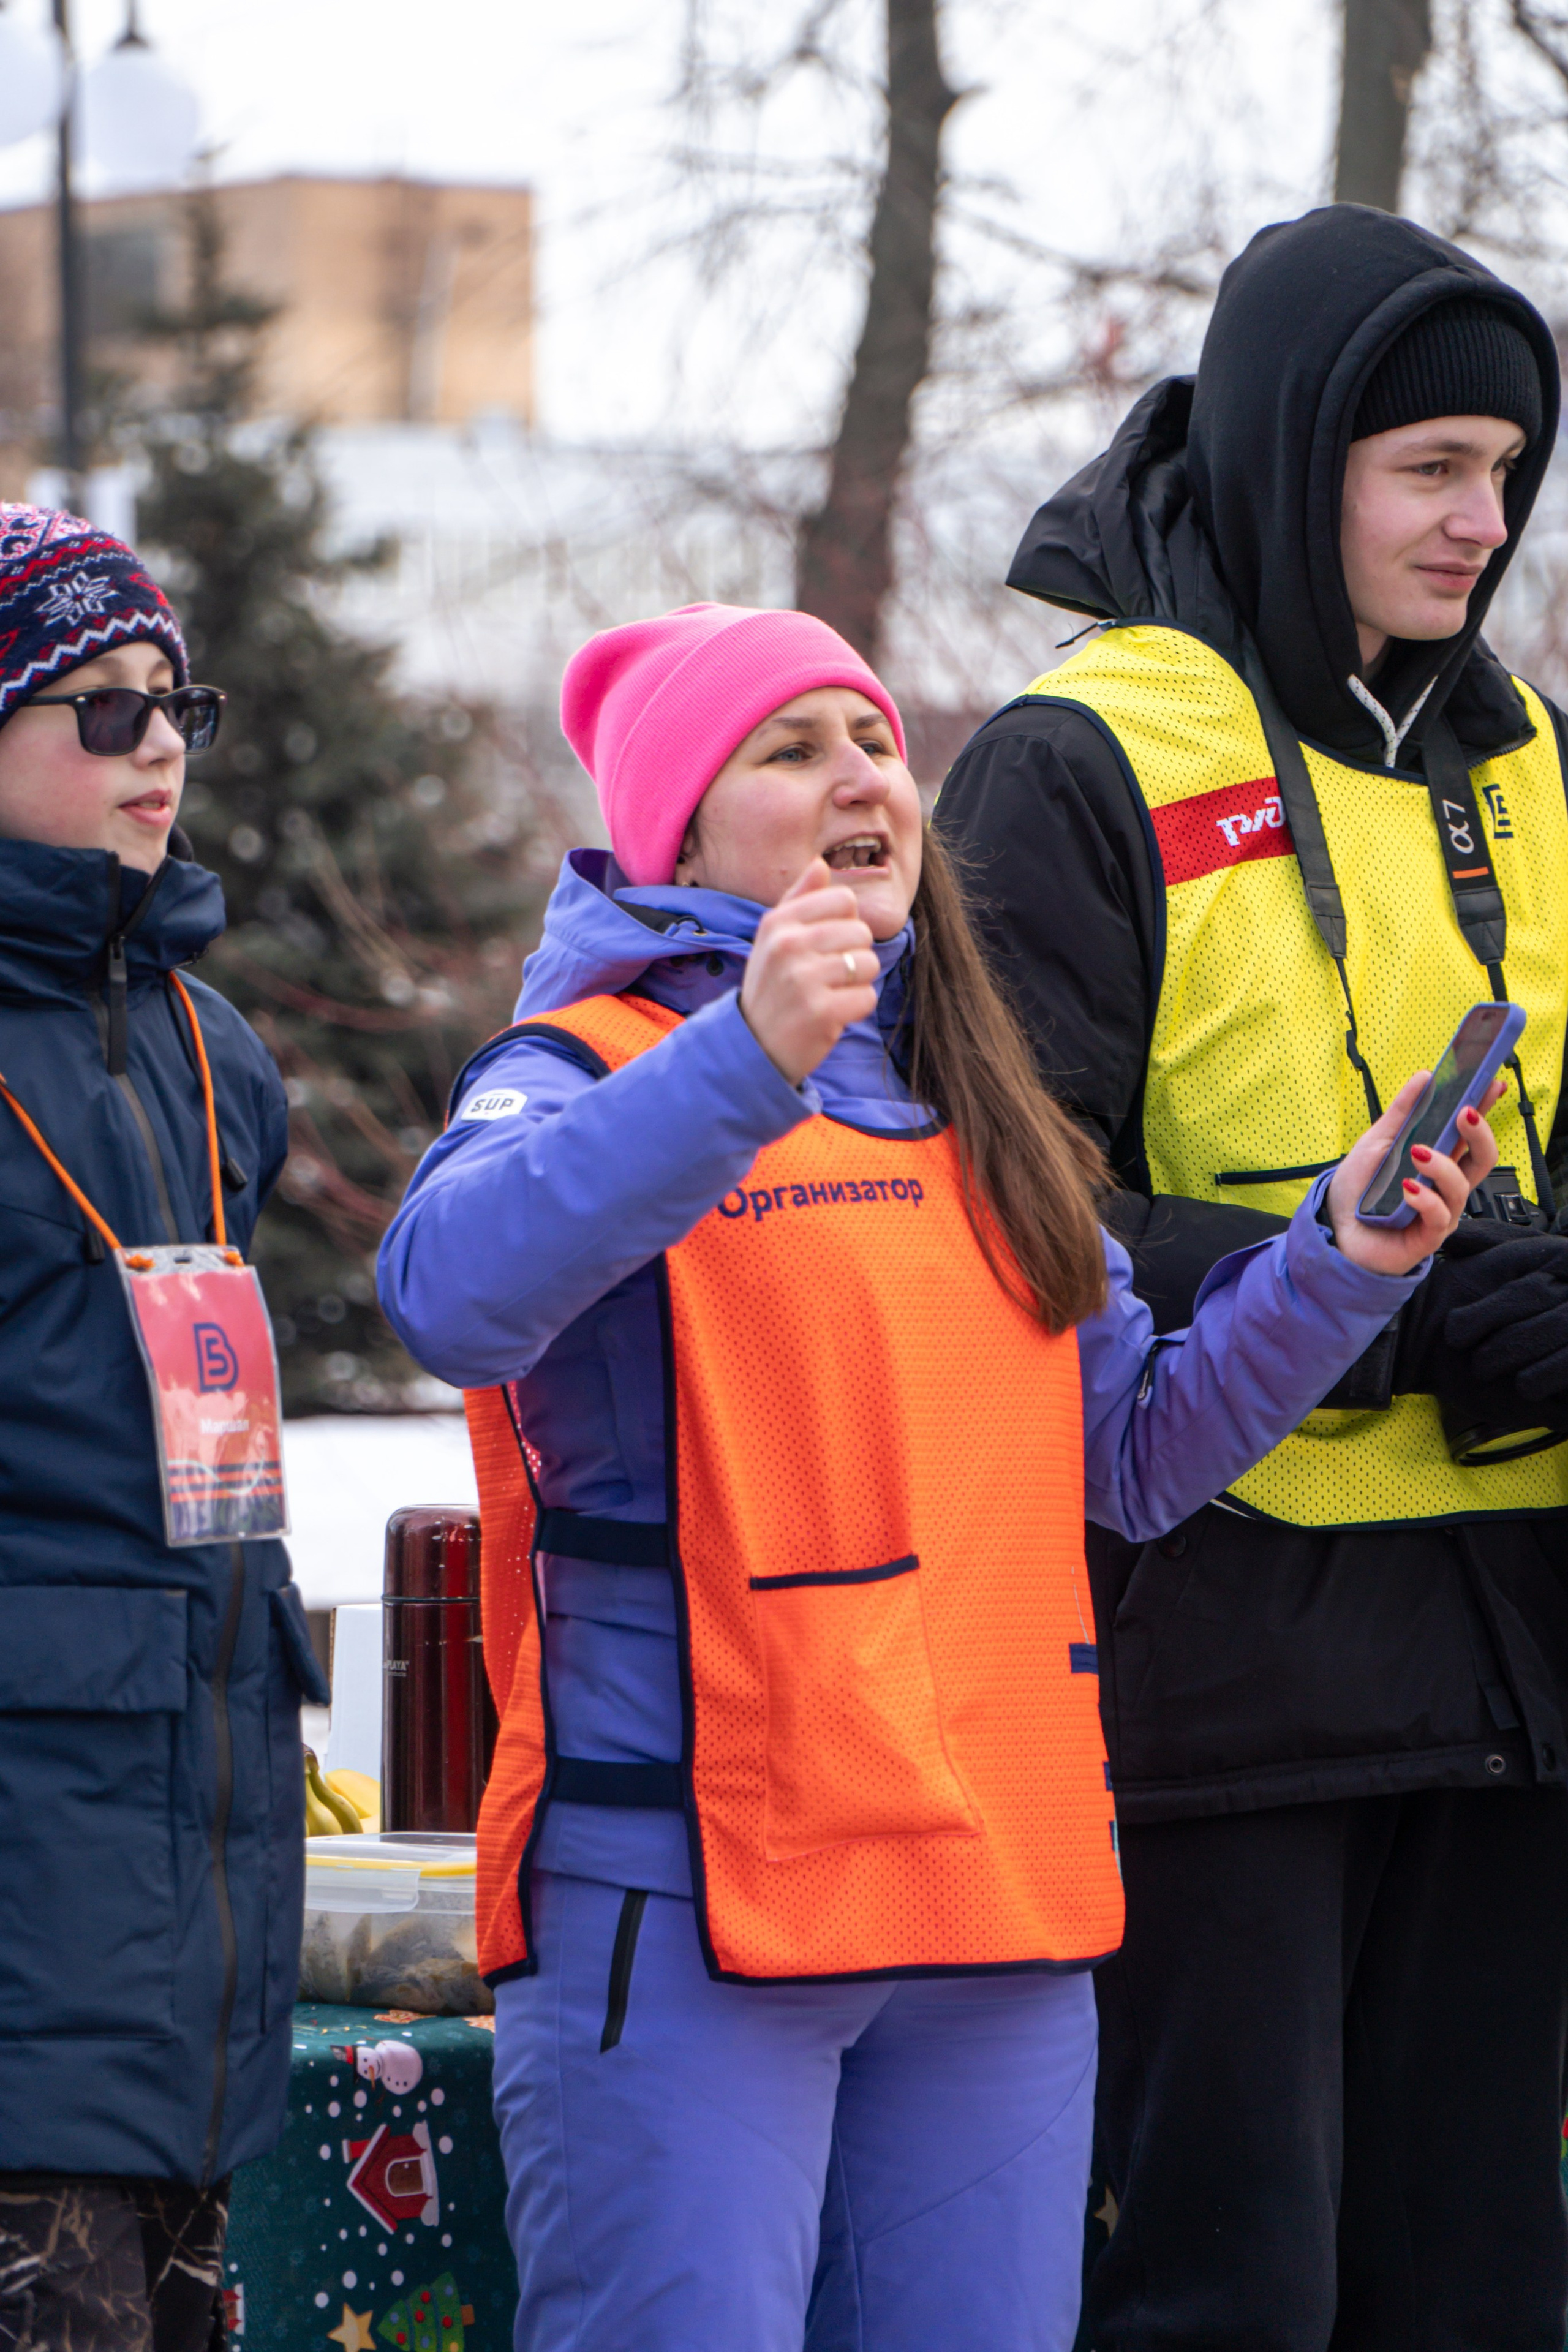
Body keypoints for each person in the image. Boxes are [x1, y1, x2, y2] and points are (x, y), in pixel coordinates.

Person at [377, 598, 1498, 2352]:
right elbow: (447, 1293)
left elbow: (1137, 1458)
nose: (864, 778)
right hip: (689, 1907)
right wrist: (744, 1060)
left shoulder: (984, 1104)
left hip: (995, 1914)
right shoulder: (581, 1068)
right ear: (681, 828)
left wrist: (1341, 1262)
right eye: (793, 747)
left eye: (879, 741)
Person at [932, 205, 1568, 2350]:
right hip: (1224, 1669)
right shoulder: (1079, 756)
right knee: (1232, 2293)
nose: (1481, 521)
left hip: (1511, 1660)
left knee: (1479, 2288)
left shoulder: (1522, 763)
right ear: (1302, 461)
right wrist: (1383, 1282)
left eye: (1504, 470)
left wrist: (1539, 1296)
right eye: (1430, 469)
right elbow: (1001, 1205)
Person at [0, 504, 323, 2352]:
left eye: (173, 701)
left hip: (199, 1903)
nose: (162, 746)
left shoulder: (223, 1051)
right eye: (99, 709)